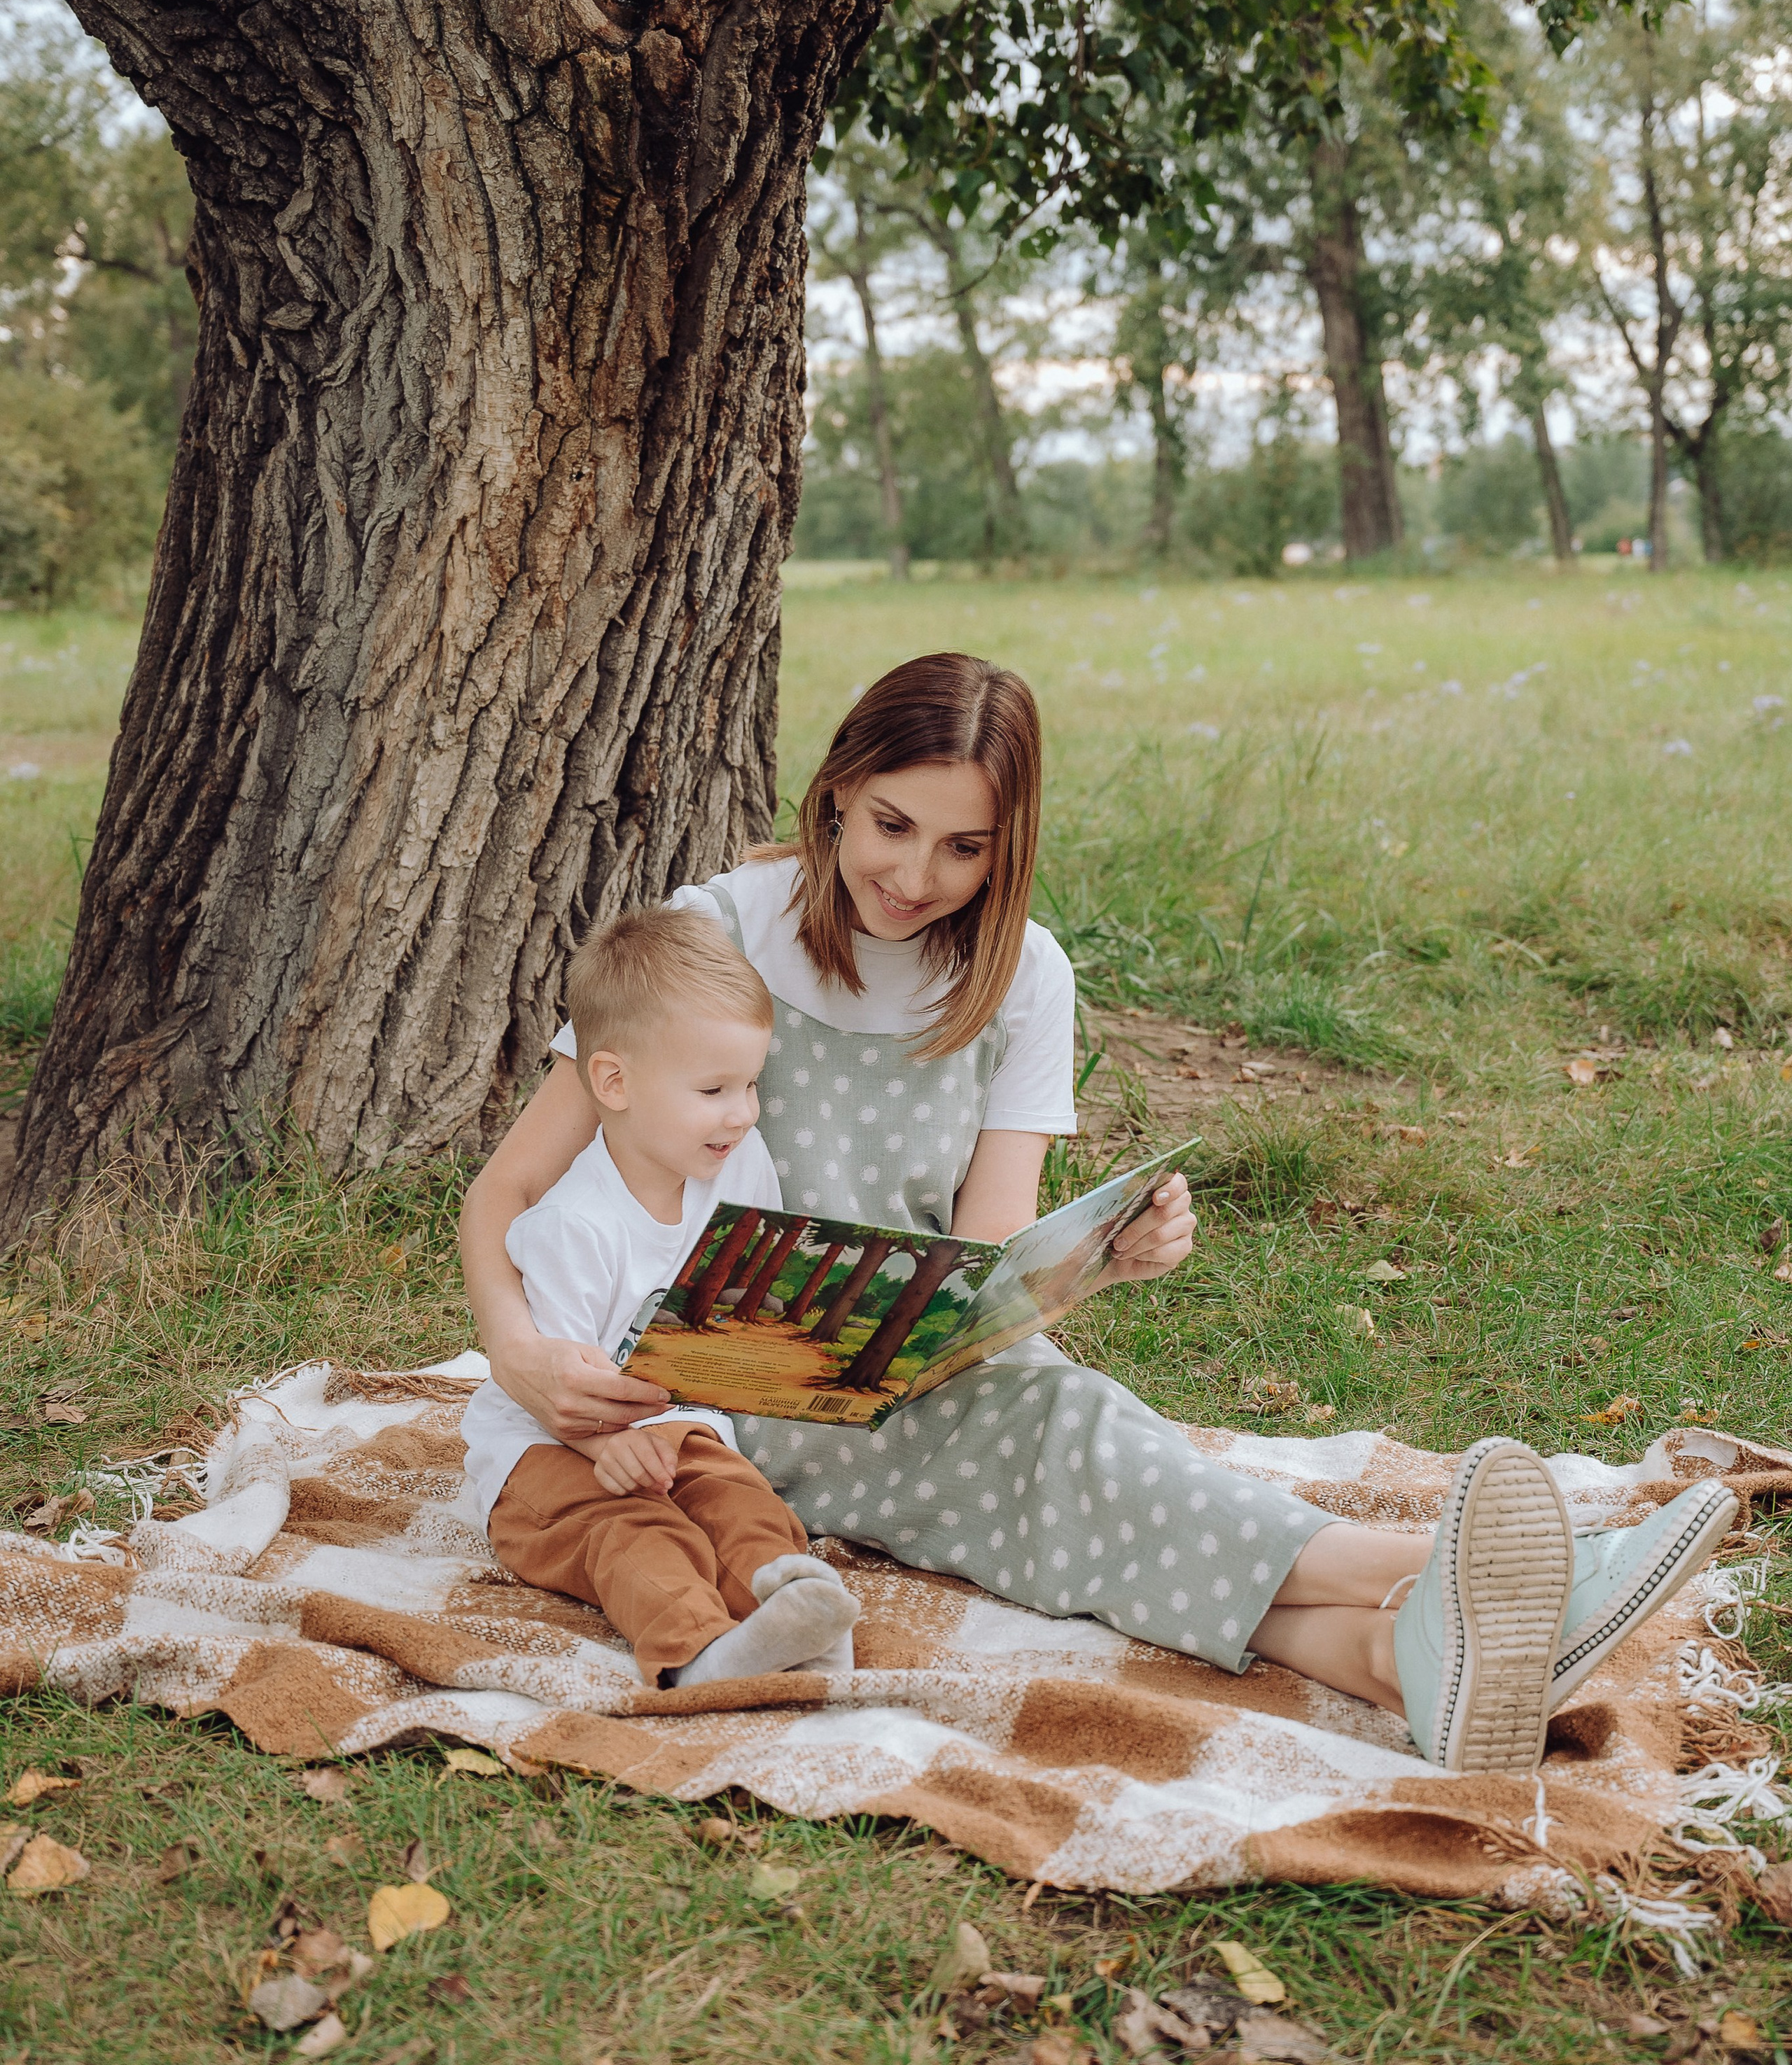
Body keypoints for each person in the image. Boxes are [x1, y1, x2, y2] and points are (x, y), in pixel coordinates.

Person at [462, 653, 1737, 1772]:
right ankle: (1524, 1575)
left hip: (898, 1367)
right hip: (728, 1391)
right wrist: (521, 1357)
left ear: (1007, 846)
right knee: (1066, 1439)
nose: (914, 874)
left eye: (964, 848)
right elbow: (504, 1193)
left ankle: (1400, 1660)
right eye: (892, 824)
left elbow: (984, 1260)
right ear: (839, 786)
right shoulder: (715, 932)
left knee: (1061, 1438)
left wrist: (1097, 1261)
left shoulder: (1021, 973)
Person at [461, 908, 861, 1688]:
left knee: (742, 1501)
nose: (743, 1112)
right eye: (713, 1089)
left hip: (679, 1425)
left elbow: (751, 1303)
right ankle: (697, 1652)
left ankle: (792, 1607)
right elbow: (558, 1392)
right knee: (634, 1532)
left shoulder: (742, 1164)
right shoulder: (573, 1226)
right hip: (547, 1451)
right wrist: (609, 1449)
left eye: (751, 1084)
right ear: (614, 1082)